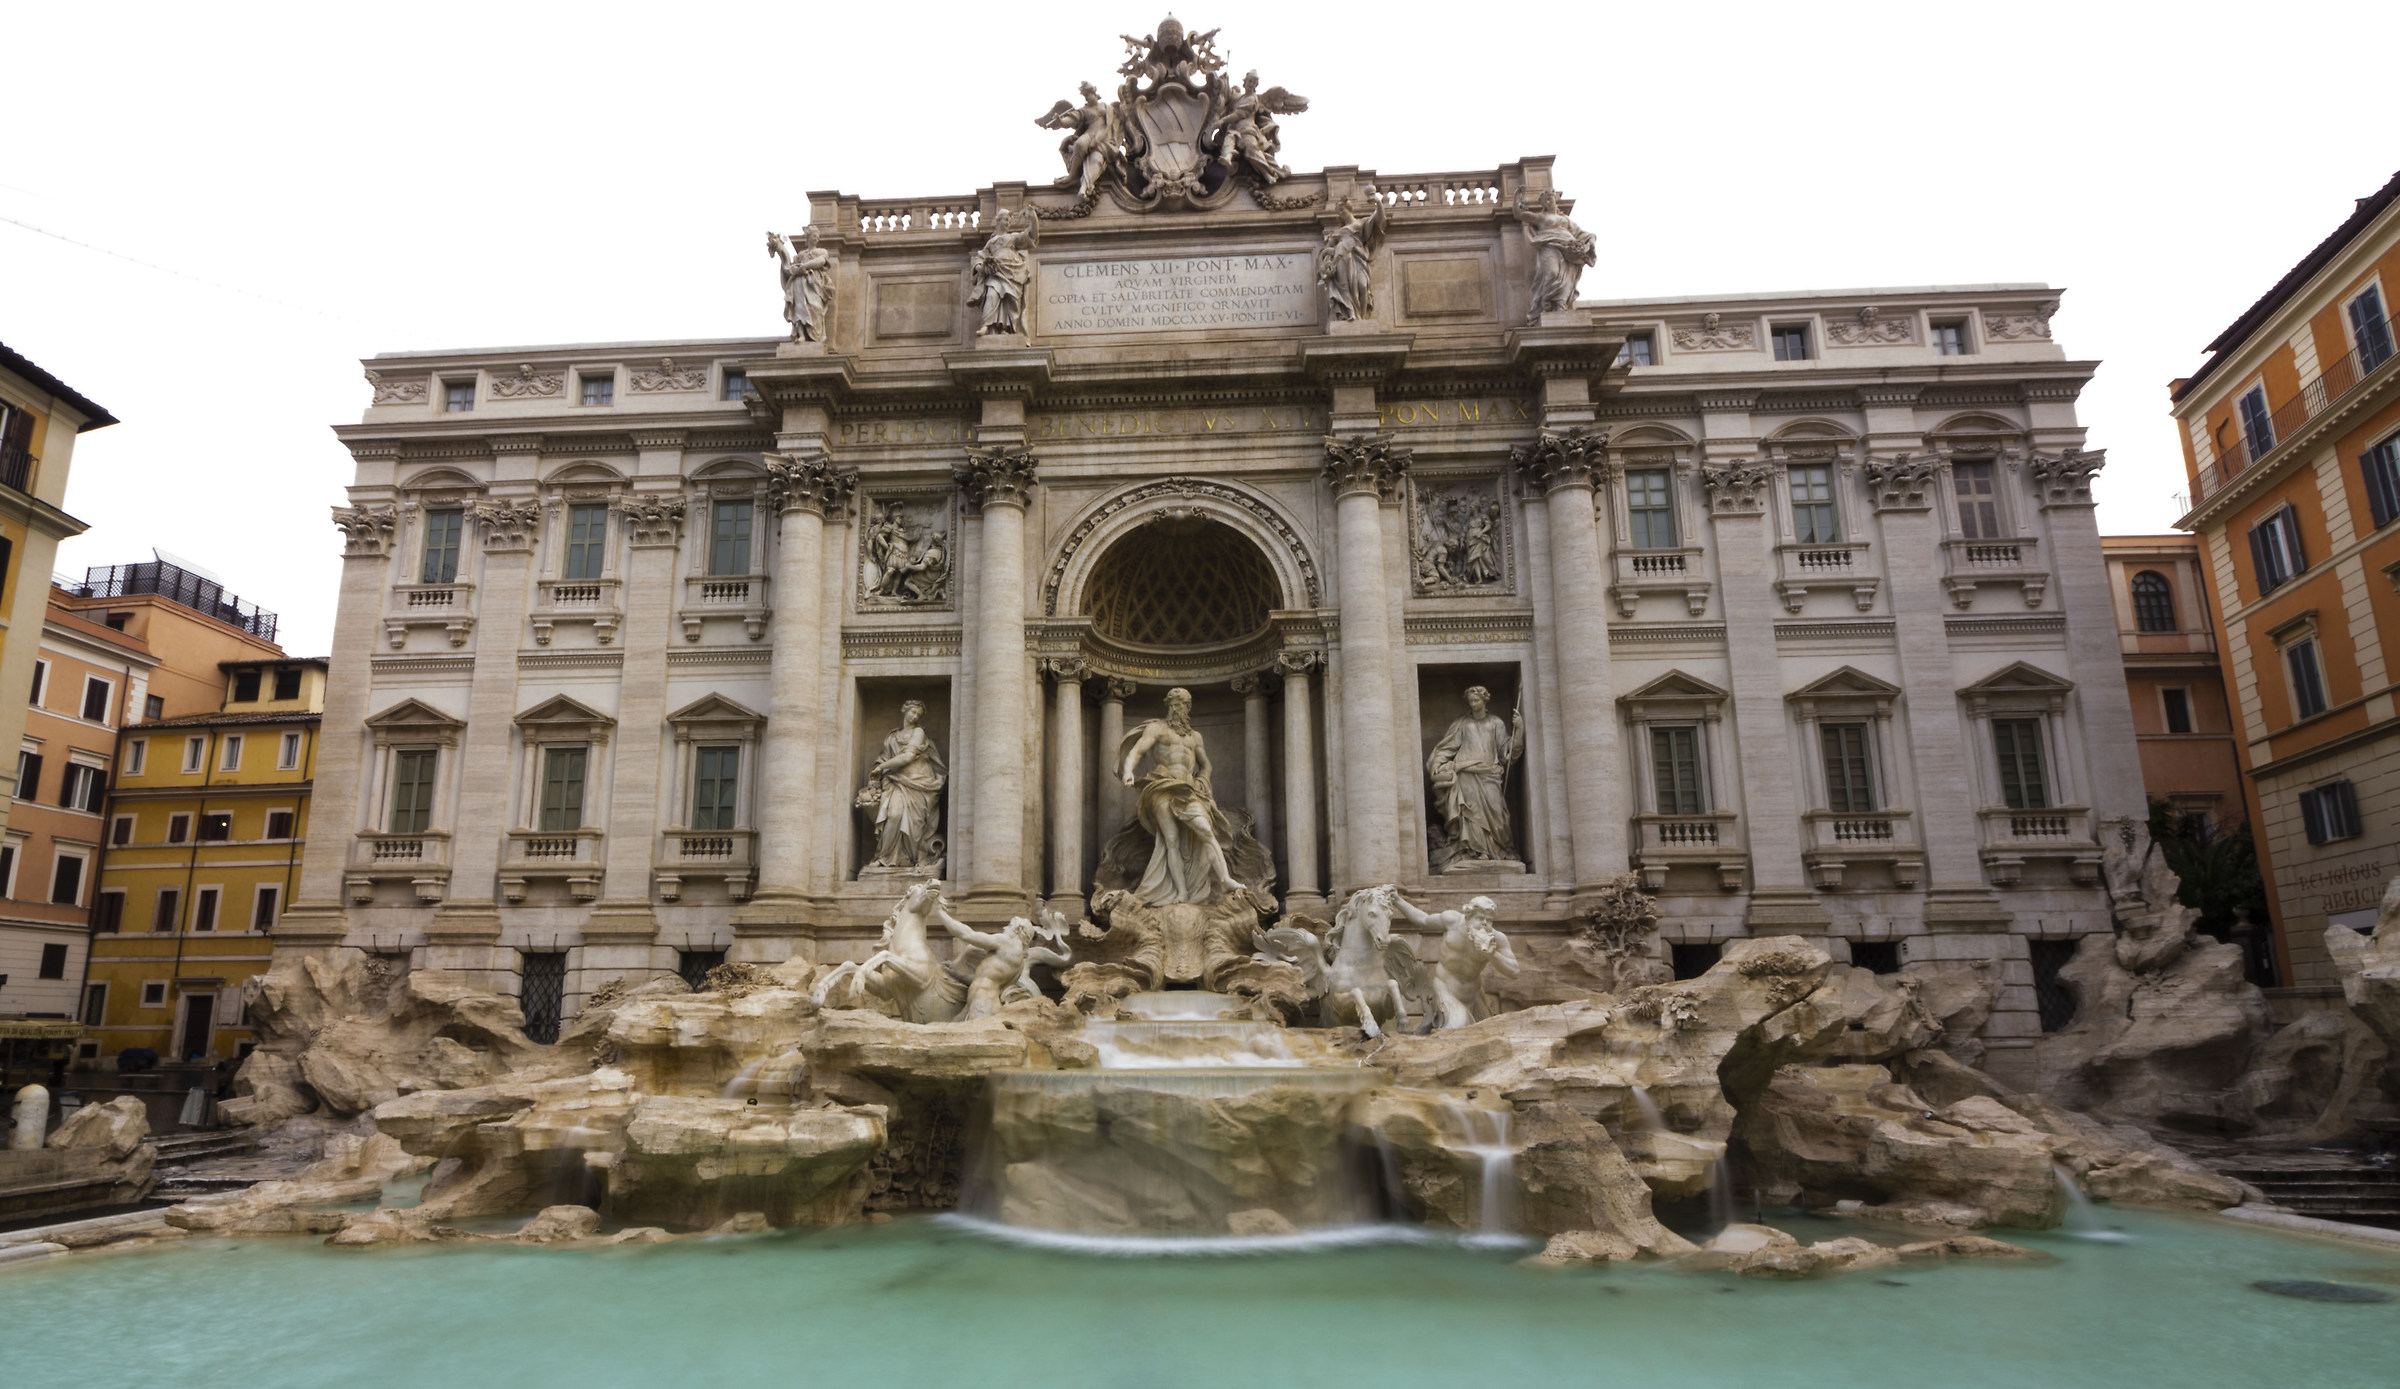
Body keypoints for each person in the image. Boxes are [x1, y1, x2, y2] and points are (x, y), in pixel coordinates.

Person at [1118, 688, 1243, 905]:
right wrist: (1128, 771)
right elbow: (1137, 751)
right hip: (1162, 785)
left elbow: (1206, 764)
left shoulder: (1195, 737)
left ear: (1188, 707)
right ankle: (1181, 892)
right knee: (1171, 840)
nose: (1177, 709)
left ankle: (1225, 879)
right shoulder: (1156, 728)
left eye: (1182, 704)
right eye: (1173, 704)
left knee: (1206, 830)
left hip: (1188, 789)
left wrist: (1203, 780)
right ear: (1168, 706)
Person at [1426, 685, 1524, 865]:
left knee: (1498, 814)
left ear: (1485, 700)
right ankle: (1476, 851)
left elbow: (1507, 752)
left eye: (1476, 700)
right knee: (1470, 813)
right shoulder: (1462, 724)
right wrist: (1438, 762)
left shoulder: (1496, 723)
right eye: (1470, 701)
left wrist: (1519, 730)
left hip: (1489, 774)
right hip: (1467, 775)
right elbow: (1448, 747)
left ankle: (1499, 849)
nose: (1473, 704)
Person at [860, 701, 945, 869]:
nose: (915, 716)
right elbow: (883, 758)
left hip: (919, 782)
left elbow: (907, 757)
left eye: (918, 715)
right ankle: (885, 857)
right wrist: (879, 769)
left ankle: (910, 859)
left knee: (915, 824)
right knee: (894, 814)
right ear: (904, 711)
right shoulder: (892, 737)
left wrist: (882, 767)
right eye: (913, 712)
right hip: (896, 781)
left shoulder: (918, 732)